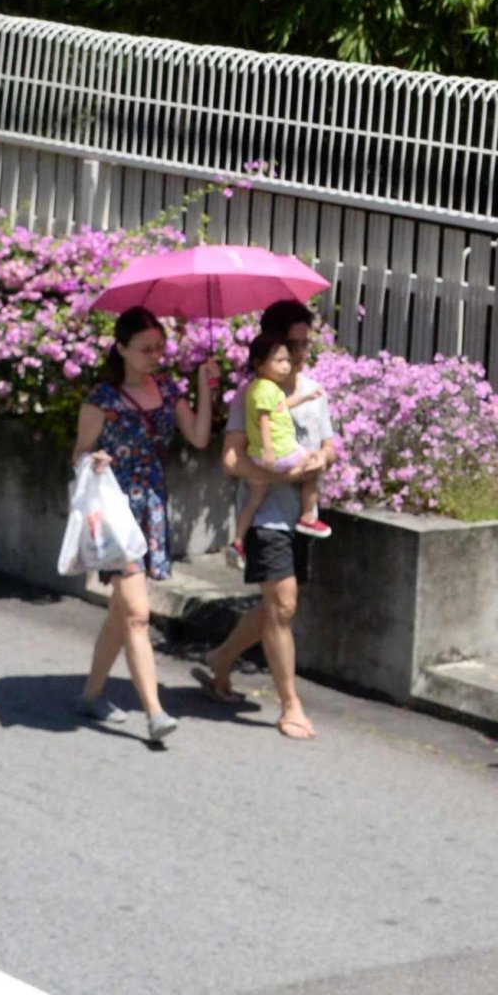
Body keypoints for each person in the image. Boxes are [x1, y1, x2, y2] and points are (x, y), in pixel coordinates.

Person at [76, 306, 211, 748]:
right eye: (145, 348)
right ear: (121, 349)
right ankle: (154, 713)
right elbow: (78, 454)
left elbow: (199, 438)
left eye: (159, 347)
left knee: (121, 612)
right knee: (136, 612)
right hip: (115, 510)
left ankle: (92, 694)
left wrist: (206, 391)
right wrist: (93, 461)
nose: (155, 355)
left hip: (150, 505)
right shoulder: (103, 399)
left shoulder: (170, 390)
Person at [200, 298, 334, 740]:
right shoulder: (251, 394)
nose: (298, 354)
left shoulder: (315, 391)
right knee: (284, 606)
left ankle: (221, 658)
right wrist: (280, 474)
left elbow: (330, 444)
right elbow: (232, 460)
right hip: (265, 516)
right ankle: (291, 705)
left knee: (278, 605)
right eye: (290, 344)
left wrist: (319, 460)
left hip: (303, 514)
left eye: (303, 344)